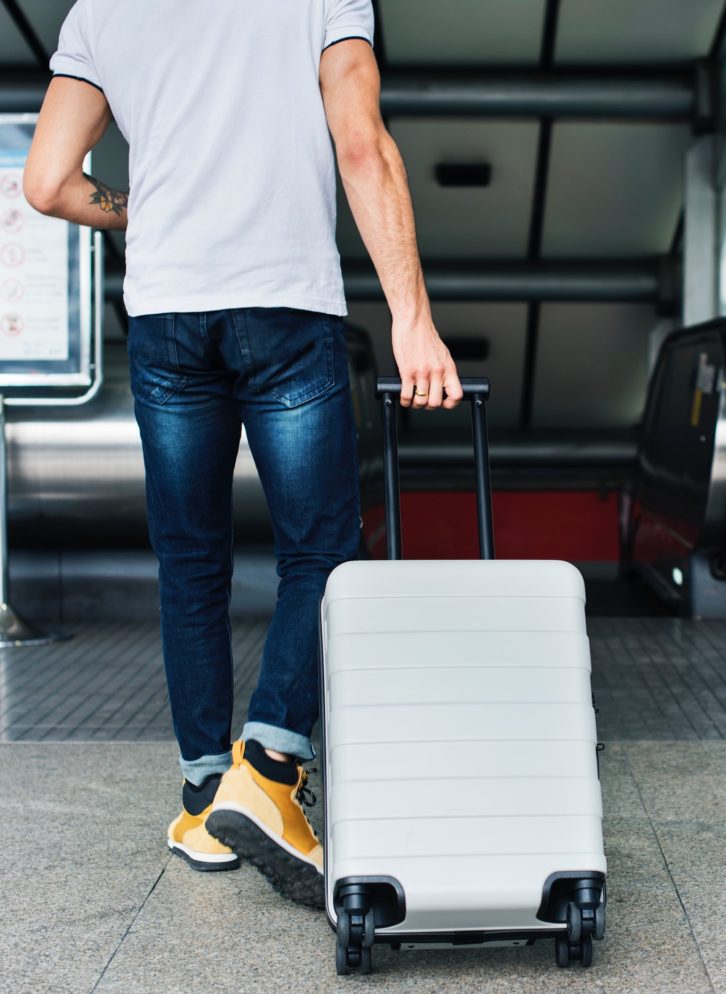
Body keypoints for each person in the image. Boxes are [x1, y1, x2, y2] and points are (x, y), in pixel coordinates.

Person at [24, 0, 460, 908]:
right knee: (321, 548)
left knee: (190, 557)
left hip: (167, 313)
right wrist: (413, 320)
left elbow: (48, 183)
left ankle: (199, 800)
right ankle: (266, 770)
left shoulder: (101, 8)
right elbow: (361, 145)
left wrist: (150, 213)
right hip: (284, 304)